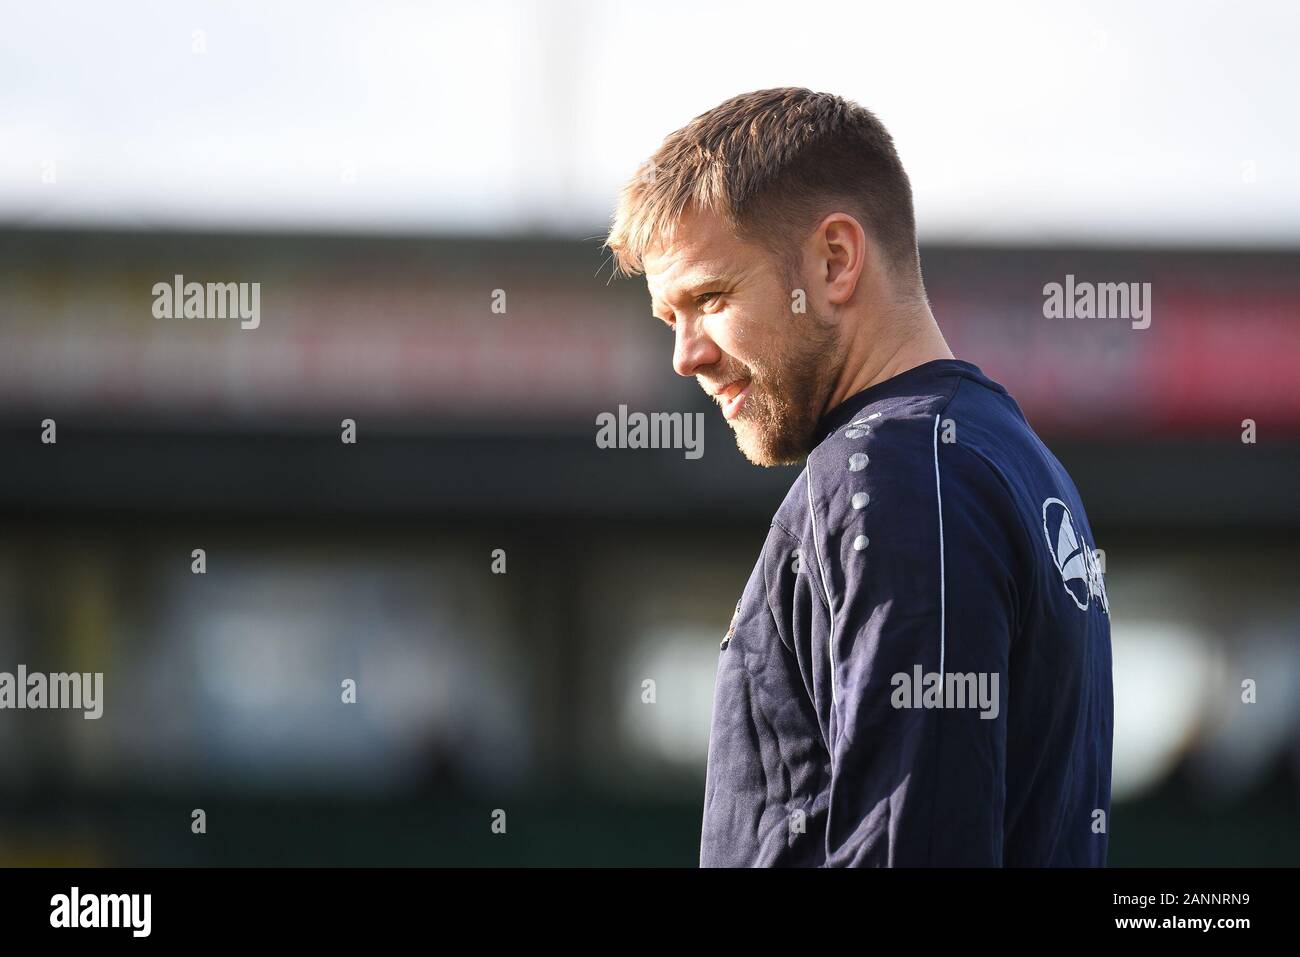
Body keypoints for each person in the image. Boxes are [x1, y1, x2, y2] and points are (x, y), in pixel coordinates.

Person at [604, 88, 1113, 866]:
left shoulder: (896, 474)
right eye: (669, 318)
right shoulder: (1006, 458)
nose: (687, 354)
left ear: (835, 261)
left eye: (710, 298)